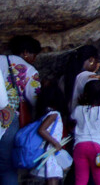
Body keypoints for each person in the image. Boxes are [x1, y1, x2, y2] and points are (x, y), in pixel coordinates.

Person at [0, 35, 43, 185]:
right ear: (25, 52)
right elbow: (35, 99)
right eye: (34, 55)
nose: (34, 59)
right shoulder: (30, 71)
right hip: (9, 119)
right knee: (6, 166)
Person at [70, 80, 100, 185]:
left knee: (81, 180)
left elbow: (71, 123)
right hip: (97, 148)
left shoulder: (78, 109)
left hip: (79, 146)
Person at [33, 83, 69, 184]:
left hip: (49, 151)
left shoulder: (46, 113)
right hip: (51, 152)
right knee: (53, 178)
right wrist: (55, 143)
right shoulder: (54, 114)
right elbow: (42, 130)